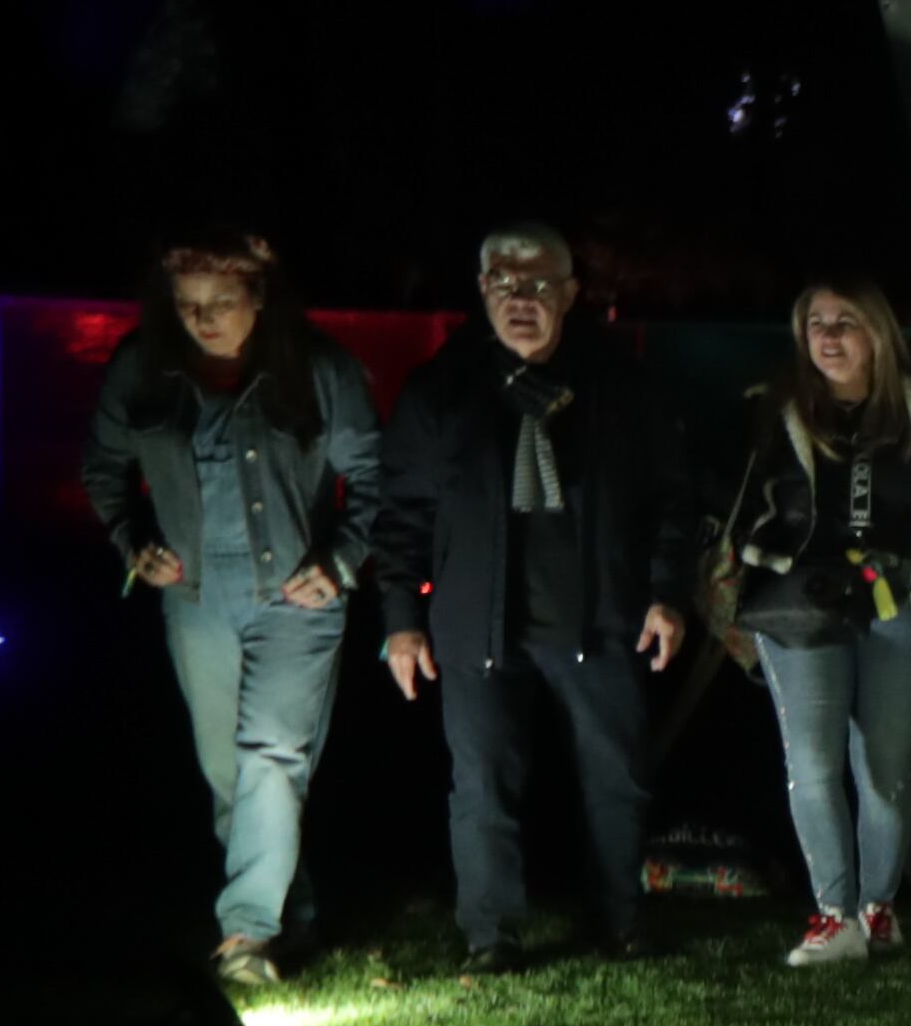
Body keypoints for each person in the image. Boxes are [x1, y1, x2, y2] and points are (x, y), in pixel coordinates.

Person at [370, 224, 697, 969]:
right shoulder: (442, 389)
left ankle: (621, 923)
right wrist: (399, 621)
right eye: (503, 284)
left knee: (616, 781)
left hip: (603, 616)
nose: (520, 299)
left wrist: (666, 595)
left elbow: (673, 502)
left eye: (538, 284)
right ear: (481, 290)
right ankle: (491, 937)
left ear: (571, 293)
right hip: (474, 623)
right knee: (481, 786)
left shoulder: (622, 385)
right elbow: (401, 514)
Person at [79, 230, 386, 987]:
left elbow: (378, 474)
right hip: (194, 597)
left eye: (221, 302)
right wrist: (132, 542)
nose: (203, 319)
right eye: (187, 306)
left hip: (296, 595)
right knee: (228, 772)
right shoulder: (143, 369)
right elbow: (103, 465)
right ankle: (294, 911)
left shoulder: (316, 368)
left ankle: (246, 934)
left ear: (259, 296)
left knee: (272, 758)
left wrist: (341, 560)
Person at [717, 276, 911, 969]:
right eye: (817, 323)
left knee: (884, 768)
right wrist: (745, 567)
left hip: (898, 602)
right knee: (811, 764)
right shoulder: (772, 409)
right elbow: (732, 502)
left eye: (846, 322)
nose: (830, 337)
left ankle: (878, 909)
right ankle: (832, 914)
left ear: (878, 333)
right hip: (798, 605)